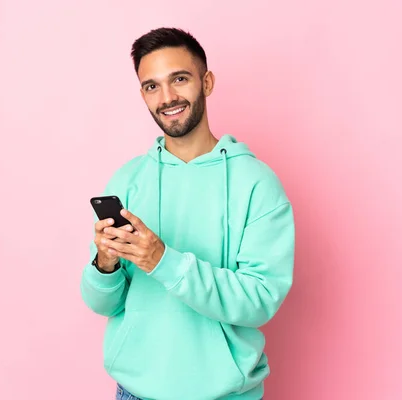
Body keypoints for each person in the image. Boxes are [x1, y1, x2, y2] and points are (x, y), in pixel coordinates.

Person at [80, 27, 295, 400]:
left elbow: (260, 300)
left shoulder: (257, 184)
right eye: (152, 86)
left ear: (206, 82)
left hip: (223, 394)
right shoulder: (128, 179)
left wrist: (163, 261)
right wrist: (105, 264)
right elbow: (104, 304)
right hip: (135, 392)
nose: (167, 98)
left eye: (179, 79)